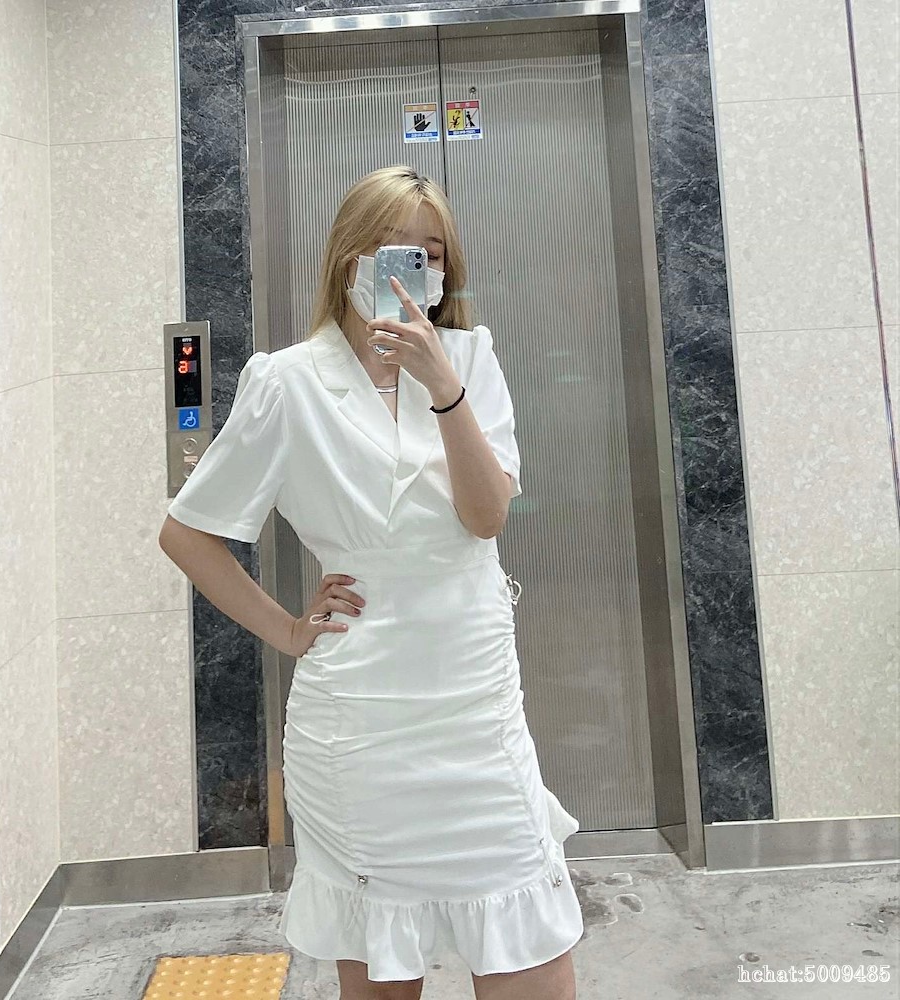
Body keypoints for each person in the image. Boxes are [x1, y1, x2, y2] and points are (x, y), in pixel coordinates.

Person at [159, 165, 584, 1000]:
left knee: (533, 950)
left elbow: (486, 518)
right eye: (394, 250)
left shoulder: (470, 358)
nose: (415, 270)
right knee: (382, 974)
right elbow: (188, 533)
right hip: (358, 726)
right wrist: (288, 630)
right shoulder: (287, 381)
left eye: (433, 254)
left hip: (475, 708)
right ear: (349, 258)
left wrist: (443, 387)